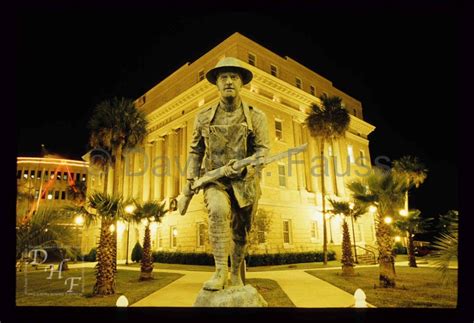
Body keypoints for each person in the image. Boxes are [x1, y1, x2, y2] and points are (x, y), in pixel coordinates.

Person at [186, 57, 270, 290]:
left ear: (242, 83)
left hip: (246, 183)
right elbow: (195, 151)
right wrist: (190, 181)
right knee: (218, 210)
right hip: (216, 180)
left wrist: (247, 165)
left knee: (241, 232)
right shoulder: (203, 117)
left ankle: (235, 275)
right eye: (224, 77)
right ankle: (220, 272)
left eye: (234, 77)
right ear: (217, 83)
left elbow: (263, 152)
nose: (229, 81)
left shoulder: (256, 117)